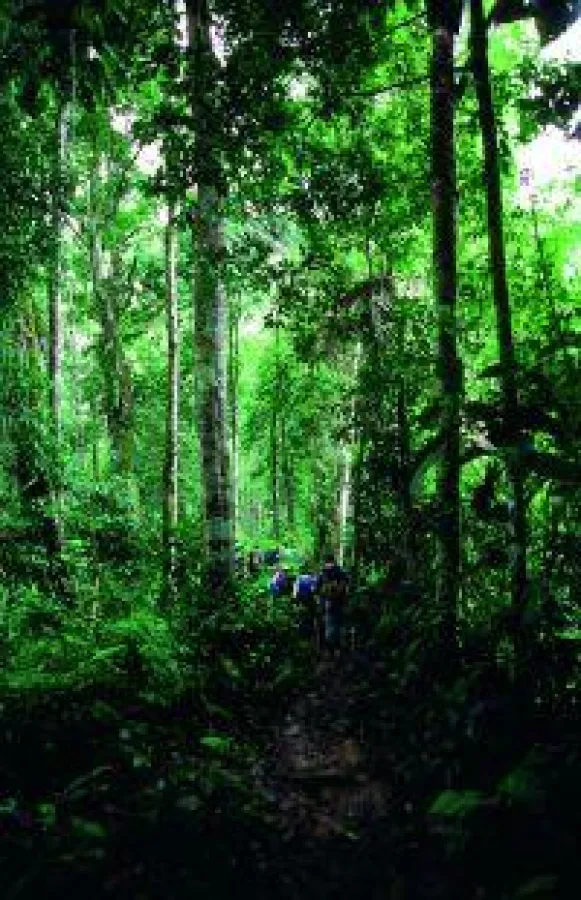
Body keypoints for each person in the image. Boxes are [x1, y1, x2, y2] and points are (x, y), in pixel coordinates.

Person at [316, 553, 349, 659]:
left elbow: (317, 589)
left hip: (329, 603)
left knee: (329, 627)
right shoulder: (341, 572)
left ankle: (331, 651)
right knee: (339, 626)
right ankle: (338, 650)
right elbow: (346, 587)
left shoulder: (324, 573)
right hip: (340, 603)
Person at [293, 563, 317, 640]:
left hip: (301, 600)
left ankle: (302, 634)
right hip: (310, 600)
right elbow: (314, 590)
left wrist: (296, 601)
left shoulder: (298, 579)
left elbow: (295, 592)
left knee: (301, 617)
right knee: (310, 618)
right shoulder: (312, 578)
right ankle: (309, 634)